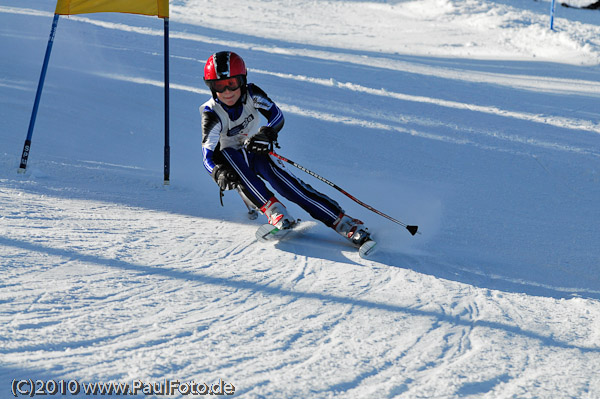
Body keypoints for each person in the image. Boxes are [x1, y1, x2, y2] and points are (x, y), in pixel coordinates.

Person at [200, 51, 372, 247]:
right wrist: (217, 172)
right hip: (232, 162)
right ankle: (274, 210)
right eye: (219, 86)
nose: (227, 92)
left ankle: (343, 222)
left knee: (289, 186)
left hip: (254, 148)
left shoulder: (252, 94)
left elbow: (276, 115)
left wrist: (266, 133)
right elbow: (207, 155)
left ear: (243, 80)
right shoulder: (212, 112)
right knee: (230, 155)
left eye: (232, 83)